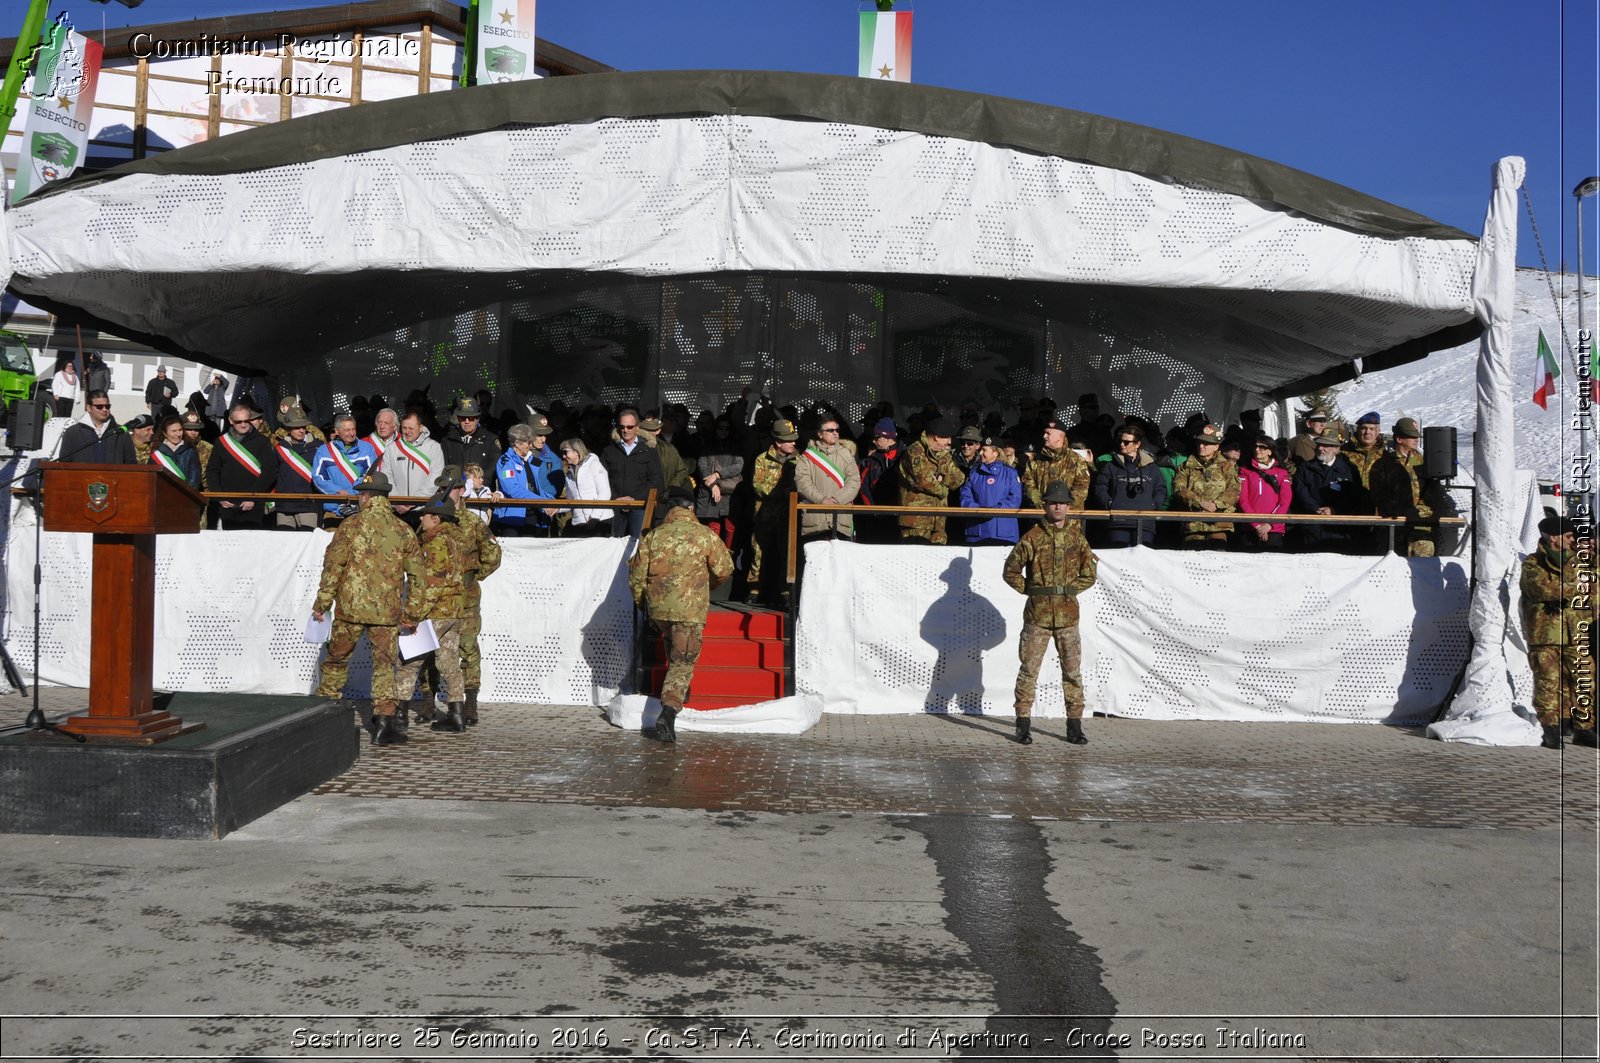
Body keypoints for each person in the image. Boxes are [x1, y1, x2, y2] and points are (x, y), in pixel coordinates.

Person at [311, 472, 425, 747]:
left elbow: (333, 568)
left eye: (361, 494)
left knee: (337, 661)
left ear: (366, 496)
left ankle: (323, 718)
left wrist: (322, 604)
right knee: (384, 667)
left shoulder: (350, 526)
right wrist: (411, 614)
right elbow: (419, 577)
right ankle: (383, 724)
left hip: (350, 609)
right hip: (386, 613)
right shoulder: (403, 530)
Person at [628, 485, 735, 742]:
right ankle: (669, 710)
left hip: (659, 608)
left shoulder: (653, 536)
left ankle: (678, 690)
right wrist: (705, 586)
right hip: (689, 609)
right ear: (691, 509)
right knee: (682, 662)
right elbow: (724, 569)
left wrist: (644, 602)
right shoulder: (704, 535)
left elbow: (636, 576)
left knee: (672, 645)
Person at [1003, 480, 1098, 746]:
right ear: (1044, 505)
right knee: (1029, 671)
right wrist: (1032, 591)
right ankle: (1022, 724)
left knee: (1072, 673)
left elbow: (1089, 574)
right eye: (1053, 502)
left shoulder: (1077, 538)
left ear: (1069, 506)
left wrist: (1067, 591)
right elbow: (1010, 571)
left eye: (1062, 503)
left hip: (1068, 617)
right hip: (1038, 617)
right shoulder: (1032, 538)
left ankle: (1074, 726)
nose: (1058, 506)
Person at [394, 497, 473, 733]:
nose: (421, 518)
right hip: (454, 612)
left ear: (436, 518)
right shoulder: (456, 541)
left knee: (407, 661)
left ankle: (399, 716)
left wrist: (412, 615)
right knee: (449, 663)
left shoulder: (436, 543)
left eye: (425, 515)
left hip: (434, 613)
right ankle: (456, 714)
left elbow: (430, 585)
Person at [433, 466, 502, 724]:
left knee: (468, 647)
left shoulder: (472, 522)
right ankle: (430, 701)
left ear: (461, 491)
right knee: (434, 647)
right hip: (438, 595)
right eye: (440, 488)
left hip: (466, 594)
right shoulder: (434, 518)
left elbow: (493, 555)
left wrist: (474, 575)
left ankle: (470, 701)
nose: (443, 493)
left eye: (448, 489)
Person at [1523, 516, 1598, 749]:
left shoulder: (1580, 561)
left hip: (1577, 631)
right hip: (1547, 634)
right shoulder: (1533, 563)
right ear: (1553, 538)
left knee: (1584, 681)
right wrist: (1576, 586)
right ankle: (1550, 729)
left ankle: (1584, 730)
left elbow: (1593, 588)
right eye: (1568, 536)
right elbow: (1542, 589)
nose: (1572, 540)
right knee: (1548, 683)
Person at [747, 418, 799, 603]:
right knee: (759, 552)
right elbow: (757, 485)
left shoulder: (799, 461)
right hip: (765, 514)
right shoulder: (762, 458)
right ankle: (754, 590)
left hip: (788, 515)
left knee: (787, 552)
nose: (793, 442)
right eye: (789, 439)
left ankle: (786, 592)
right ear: (778, 442)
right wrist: (782, 491)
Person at [1090, 423, 1166, 547]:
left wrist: (1155, 505)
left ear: (1137, 444)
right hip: (1118, 522)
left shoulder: (1152, 467)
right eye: (1120, 441)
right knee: (1118, 560)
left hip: (1145, 522)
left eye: (1126, 442)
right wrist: (1109, 503)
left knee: (1142, 562)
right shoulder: (1111, 466)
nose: (1122, 445)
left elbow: (1160, 489)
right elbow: (1100, 487)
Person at [206, 401, 279, 529]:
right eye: (239, 421)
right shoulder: (221, 442)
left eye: (246, 420)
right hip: (228, 504)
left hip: (255, 505)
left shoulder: (262, 441)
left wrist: (252, 497)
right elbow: (213, 471)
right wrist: (219, 497)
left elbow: (270, 472)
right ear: (230, 420)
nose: (243, 424)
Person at [1369, 417, 1435, 557]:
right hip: (1393, 529)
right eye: (1411, 436)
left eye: (1416, 435)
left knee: (1424, 570)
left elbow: (1433, 491)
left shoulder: (1423, 463)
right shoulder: (1382, 465)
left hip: (1421, 529)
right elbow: (1380, 497)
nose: (1416, 439)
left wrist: (1428, 510)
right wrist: (1407, 511)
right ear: (1399, 439)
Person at [1290, 429, 1365, 552]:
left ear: (1336, 449)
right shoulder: (1305, 468)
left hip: (1338, 529)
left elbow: (1354, 495)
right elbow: (1300, 492)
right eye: (1319, 444)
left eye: (1325, 445)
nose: (1320, 448)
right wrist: (1315, 508)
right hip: (1311, 528)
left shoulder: (1348, 469)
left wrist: (1335, 509)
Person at [897, 415, 966, 545]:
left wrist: (941, 477)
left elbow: (959, 479)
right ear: (936, 437)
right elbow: (923, 481)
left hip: (939, 523)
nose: (949, 442)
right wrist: (944, 490)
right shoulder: (914, 452)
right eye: (947, 438)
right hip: (916, 522)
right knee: (915, 561)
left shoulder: (944, 455)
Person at [794, 414, 862, 545]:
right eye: (830, 430)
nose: (835, 433)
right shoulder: (807, 457)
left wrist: (836, 500)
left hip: (840, 519)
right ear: (820, 434)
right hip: (815, 520)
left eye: (837, 430)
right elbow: (802, 483)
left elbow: (854, 481)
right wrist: (822, 500)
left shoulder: (846, 455)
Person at [1171, 423, 1239, 549]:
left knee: (1216, 563)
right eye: (1199, 443)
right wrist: (1200, 503)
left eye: (1206, 443)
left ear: (1216, 446)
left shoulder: (1227, 467)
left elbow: (1234, 491)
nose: (1201, 446)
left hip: (1218, 524)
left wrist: (1216, 504)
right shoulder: (1186, 467)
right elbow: (1179, 489)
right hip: (1193, 525)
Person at [601, 408, 664, 538]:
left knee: (638, 546)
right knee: (612, 546)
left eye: (630, 427)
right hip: (614, 507)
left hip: (640, 506)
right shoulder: (609, 451)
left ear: (637, 427)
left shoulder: (649, 451)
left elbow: (656, 481)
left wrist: (633, 499)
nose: (625, 430)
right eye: (622, 426)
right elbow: (602, 480)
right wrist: (615, 499)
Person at [494, 422, 562, 536]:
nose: (530, 446)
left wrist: (551, 502)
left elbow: (538, 488)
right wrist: (542, 502)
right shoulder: (506, 461)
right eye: (528, 442)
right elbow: (512, 489)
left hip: (533, 514)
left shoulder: (531, 460)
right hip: (513, 517)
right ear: (517, 443)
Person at [311, 414, 380, 526]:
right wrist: (338, 492)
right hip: (333, 510)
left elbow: (370, 474)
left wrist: (352, 494)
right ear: (337, 431)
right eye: (347, 430)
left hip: (360, 509)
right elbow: (318, 478)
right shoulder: (324, 451)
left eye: (353, 429)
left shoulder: (367, 448)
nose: (352, 433)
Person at [959, 436, 1022, 545]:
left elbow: (1014, 499)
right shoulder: (974, 473)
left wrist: (994, 511)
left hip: (1003, 533)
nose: (981, 453)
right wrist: (978, 510)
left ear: (995, 453)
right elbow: (965, 496)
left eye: (984, 450)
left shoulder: (1010, 473)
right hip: (977, 532)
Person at [382, 411, 445, 521]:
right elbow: (386, 476)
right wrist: (396, 501)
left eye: (411, 428)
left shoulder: (434, 447)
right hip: (397, 509)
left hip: (424, 510)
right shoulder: (392, 448)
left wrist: (416, 500)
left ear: (421, 428)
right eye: (404, 428)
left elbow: (436, 476)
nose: (407, 432)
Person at [694, 416, 744, 549]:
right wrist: (713, 485)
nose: (723, 431)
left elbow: (738, 466)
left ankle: (728, 563)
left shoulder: (736, 446)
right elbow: (702, 467)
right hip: (710, 493)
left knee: (730, 529)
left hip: (730, 493)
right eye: (720, 427)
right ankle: (713, 563)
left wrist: (717, 475)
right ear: (715, 428)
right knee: (712, 530)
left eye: (727, 428)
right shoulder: (706, 445)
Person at [1236, 434, 1293, 551]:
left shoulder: (1281, 473)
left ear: (1270, 451)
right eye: (1256, 447)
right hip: (1250, 527)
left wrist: (1269, 524)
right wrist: (1257, 525)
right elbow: (1243, 500)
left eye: (1262, 447)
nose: (1257, 450)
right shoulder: (1245, 471)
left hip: (1274, 528)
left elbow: (1285, 500)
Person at [1022, 415, 1091, 510]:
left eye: (1048, 433)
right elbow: (1028, 484)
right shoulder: (1035, 460)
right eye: (1044, 433)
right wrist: (1043, 505)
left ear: (1060, 437)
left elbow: (1081, 487)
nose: (1044, 436)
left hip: (1069, 521)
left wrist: (1064, 507)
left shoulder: (1076, 460)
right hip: (1040, 518)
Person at [270, 407, 323, 530]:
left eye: (303, 427)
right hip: (284, 505)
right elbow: (274, 474)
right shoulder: (280, 449)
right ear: (288, 429)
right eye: (296, 427)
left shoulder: (318, 447)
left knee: (308, 542)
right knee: (285, 544)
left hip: (308, 505)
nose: (301, 430)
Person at [55, 390, 136, 464]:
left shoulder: (121, 432)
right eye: (99, 406)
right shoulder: (72, 432)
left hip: (114, 479)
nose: (104, 409)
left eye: (107, 406)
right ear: (88, 408)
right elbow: (64, 463)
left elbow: (131, 463)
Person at [855, 416, 901, 543]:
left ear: (888, 437)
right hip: (874, 518)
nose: (874, 441)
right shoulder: (870, 460)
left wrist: (895, 508)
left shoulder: (905, 456)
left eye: (877, 437)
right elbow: (863, 488)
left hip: (899, 517)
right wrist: (874, 511)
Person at [558, 437, 614, 536]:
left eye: (566, 452)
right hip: (580, 522)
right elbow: (572, 499)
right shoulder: (569, 473)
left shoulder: (594, 465)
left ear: (577, 452)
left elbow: (604, 492)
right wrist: (557, 509)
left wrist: (595, 517)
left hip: (601, 520)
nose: (563, 456)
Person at [442, 397, 502, 476]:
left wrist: (479, 483)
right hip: (456, 486)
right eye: (463, 418)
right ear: (459, 419)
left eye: (471, 418)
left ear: (477, 419)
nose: (467, 422)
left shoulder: (490, 440)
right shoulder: (448, 441)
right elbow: (444, 468)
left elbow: (493, 467)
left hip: (481, 486)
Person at [148, 413, 202, 489]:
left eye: (180, 430)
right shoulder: (157, 453)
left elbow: (195, 478)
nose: (178, 434)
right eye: (174, 431)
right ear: (165, 433)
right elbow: (151, 477)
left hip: (185, 495)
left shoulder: (190, 451)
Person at [640, 415, 694, 491]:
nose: (647, 433)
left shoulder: (668, 449)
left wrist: (671, 488)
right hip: (640, 495)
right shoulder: (634, 448)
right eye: (645, 429)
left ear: (658, 430)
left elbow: (682, 470)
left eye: (651, 429)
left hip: (663, 495)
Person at [180, 411, 213, 488]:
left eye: (196, 429)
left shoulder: (209, 449)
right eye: (189, 429)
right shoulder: (176, 447)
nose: (193, 433)